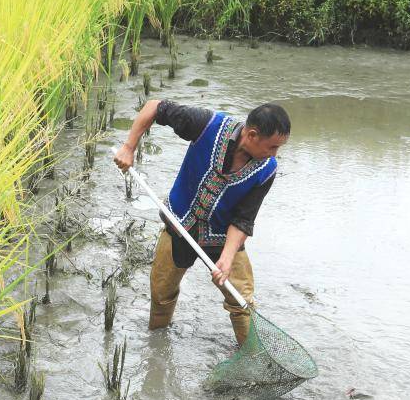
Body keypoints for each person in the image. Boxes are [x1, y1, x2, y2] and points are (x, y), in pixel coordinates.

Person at [113, 99, 290, 346]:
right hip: (180, 225)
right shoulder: (207, 125)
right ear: (252, 135)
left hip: (222, 237)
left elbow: (243, 219)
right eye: (272, 147)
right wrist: (128, 147)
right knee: (162, 293)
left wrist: (227, 259)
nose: (274, 154)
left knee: (241, 301)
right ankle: (156, 345)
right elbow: (154, 106)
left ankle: (252, 355)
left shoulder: (266, 170)